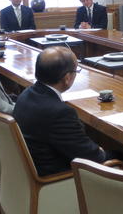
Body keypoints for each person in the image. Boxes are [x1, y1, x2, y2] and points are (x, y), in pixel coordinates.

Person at [13, 47, 106, 176]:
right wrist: (100, 150)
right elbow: (93, 157)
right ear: (67, 78)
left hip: (34, 167)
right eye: (76, 71)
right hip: (58, 178)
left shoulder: (26, 94)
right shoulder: (60, 113)